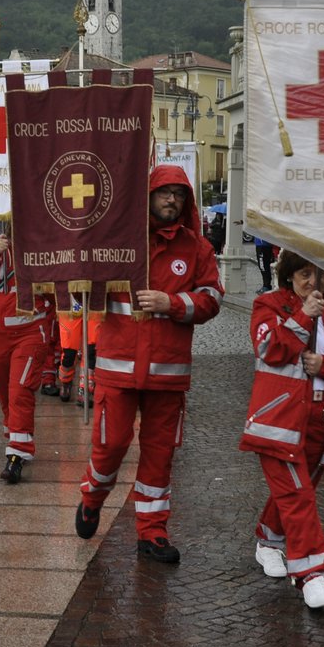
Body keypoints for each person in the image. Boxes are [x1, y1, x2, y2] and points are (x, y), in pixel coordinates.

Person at [73, 166, 223, 563]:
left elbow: (212, 299)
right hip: (118, 369)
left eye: (179, 194)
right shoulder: (118, 241)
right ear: (148, 196)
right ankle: (92, 498)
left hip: (167, 375)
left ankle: (151, 533)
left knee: (160, 455)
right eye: (164, 193)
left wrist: (171, 303)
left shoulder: (197, 249)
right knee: (111, 446)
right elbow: (82, 284)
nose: (171, 200)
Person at [243, 250, 324, 609]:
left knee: (298, 492)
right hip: (278, 421)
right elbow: (269, 348)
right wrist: (302, 316)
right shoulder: (267, 305)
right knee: (298, 496)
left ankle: (268, 542)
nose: (313, 283)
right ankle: (311, 574)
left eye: (320, 275)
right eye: (303, 274)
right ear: (288, 276)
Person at [0, 231, 53, 484]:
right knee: (3, 390)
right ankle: (15, 434)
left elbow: (55, 291)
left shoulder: (41, 250)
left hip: (29, 331)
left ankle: (18, 454)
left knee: (20, 389)